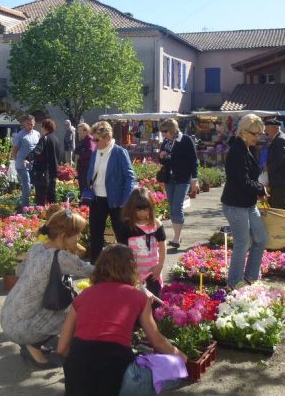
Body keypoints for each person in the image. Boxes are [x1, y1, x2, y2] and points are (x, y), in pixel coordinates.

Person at [58, 244, 186, 396]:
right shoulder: (138, 297)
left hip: (76, 380)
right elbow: (157, 341)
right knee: (176, 369)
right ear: (131, 268)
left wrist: (85, 364)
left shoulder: (83, 296)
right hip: (116, 376)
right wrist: (181, 357)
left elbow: (62, 348)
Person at [0, 208, 93, 369]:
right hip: (21, 328)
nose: (79, 238)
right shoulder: (61, 257)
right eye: (77, 234)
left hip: (8, 317)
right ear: (63, 236)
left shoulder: (37, 248)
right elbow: (91, 271)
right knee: (77, 308)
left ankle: (33, 340)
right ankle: (34, 346)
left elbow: (19, 271)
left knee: (59, 299)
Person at [221, 113, 268, 290]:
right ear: (243, 132)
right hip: (235, 205)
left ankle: (250, 277)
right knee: (242, 244)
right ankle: (234, 282)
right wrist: (260, 189)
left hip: (247, 204)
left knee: (261, 239)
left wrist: (258, 190)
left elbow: (248, 178)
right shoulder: (237, 151)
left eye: (260, 134)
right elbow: (242, 180)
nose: (258, 137)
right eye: (255, 134)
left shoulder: (247, 148)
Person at [86, 121, 135, 263]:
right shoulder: (95, 152)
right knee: (95, 234)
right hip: (97, 199)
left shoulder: (119, 152)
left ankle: (126, 264)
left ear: (107, 137)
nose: (94, 143)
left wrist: (125, 201)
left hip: (116, 201)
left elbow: (130, 177)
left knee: (121, 235)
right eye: (93, 140)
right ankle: (95, 265)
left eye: (97, 140)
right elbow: (91, 172)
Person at [158, 118, 199, 251]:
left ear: (172, 130)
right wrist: (161, 156)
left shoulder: (185, 140)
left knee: (177, 207)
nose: (163, 134)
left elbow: (194, 160)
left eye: (165, 131)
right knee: (172, 207)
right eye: (162, 132)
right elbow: (163, 161)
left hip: (183, 179)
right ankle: (177, 236)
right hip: (169, 179)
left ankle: (176, 238)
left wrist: (194, 179)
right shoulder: (166, 142)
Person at [123, 187, 166, 297]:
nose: (142, 213)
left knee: (155, 299)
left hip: (153, 271)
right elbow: (122, 250)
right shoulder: (127, 226)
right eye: (138, 210)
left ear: (150, 208)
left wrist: (160, 265)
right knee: (136, 300)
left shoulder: (156, 224)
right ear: (131, 209)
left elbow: (162, 245)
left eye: (145, 210)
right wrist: (128, 270)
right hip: (134, 272)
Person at [10, 115, 41, 211]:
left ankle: (30, 204)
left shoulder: (37, 134)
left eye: (31, 124)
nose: (29, 126)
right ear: (24, 124)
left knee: (33, 185)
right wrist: (18, 160)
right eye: (28, 124)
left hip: (33, 164)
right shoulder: (20, 135)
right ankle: (25, 208)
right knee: (26, 185)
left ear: (34, 123)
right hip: (22, 165)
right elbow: (14, 150)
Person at [264, 118, 285, 210]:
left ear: (274, 128)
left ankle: (282, 220)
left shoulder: (280, 139)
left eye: (267, 128)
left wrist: (268, 167)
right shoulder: (281, 137)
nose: (265, 131)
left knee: (278, 208)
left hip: (279, 181)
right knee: (278, 206)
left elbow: (281, 159)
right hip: (280, 180)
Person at [31, 118, 60, 205]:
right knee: (51, 196)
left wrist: (27, 158)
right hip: (53, 171)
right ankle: (53, 212)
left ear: (45, 128)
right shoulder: (56, 139)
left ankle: (40, 212)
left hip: (43, 171)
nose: (41, 129)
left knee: (40, 197)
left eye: (42, 127)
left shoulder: (44, 138)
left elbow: (37, 151)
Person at [74, 123, 95, 195]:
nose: (78, 133)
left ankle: (85, 200)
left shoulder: (89, 139)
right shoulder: (83, 140)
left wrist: (80, 156)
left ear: (86, 131)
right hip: (82, 168)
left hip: (86, 169)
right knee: (82, 187)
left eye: (80, 131)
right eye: (78, 131)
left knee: (85, 188)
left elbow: (91, 151)